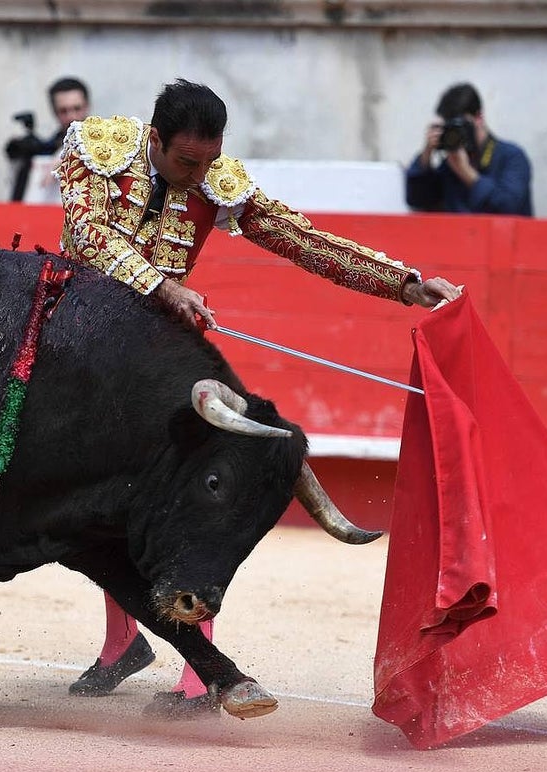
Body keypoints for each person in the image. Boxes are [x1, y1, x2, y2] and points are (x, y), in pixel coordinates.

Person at [55, 78, 461, 719]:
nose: (198, 177)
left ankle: (191, 662)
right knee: (92, 499)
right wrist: (164, 287)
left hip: (155, 357)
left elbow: (304, 241)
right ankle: (122, 643)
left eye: (208, 162)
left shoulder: (216, 180)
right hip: (77, 344)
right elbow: (90, 238)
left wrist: (404, 284)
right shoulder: (96, 150)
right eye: (186, 162)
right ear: (154, 138)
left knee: (177, 497)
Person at [405, 82, 532, 216]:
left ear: (478, 118)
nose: (457, 134)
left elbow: (507, 207)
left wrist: (466, 173)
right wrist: (426, 154)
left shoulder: (511, 157)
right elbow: (417, 200)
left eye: (461, 126)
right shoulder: (450, 164)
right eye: (451, 128)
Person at [5, 76, 90, 202]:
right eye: (63, 111)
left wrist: (71, 155)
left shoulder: (104, 146)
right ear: (55, 112)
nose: (71, 116)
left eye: (76, 108)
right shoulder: (48, 148)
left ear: (87, 106)